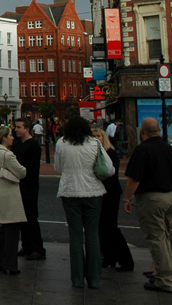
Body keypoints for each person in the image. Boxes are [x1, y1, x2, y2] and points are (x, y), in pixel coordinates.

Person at [123, 117, 172, 293]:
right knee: (164, 237)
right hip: (170, 197)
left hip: (152, 198)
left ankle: (165, 279)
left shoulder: (143, 150)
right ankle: (158, 270)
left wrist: (127, 199)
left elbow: (134, 178)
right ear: (160, 131)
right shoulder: (170, 150)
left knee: (156, 239)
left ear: (142, 132)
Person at [55, 116, 113, 289]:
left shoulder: (61, 144)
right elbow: (108, 168)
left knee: (75, 236)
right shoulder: (95, 144)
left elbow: (58, 168)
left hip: (70, 191)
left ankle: (78, 278)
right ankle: (94, 278)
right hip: (92, 191)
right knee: (92, 235)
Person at [92, 127, 133, 272]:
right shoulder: (95, 153)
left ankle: (125, 260)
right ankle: (109, 257)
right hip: (100, 193)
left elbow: (111, 175)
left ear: (104, 138)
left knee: (110, 226)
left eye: (99, 136)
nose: (97, 138)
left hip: (109, 193)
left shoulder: (110, 153)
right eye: (94, 136)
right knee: (102, 227)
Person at [0, 125, 27, 275]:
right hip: (9, 195)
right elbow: (22, 172)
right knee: (12, 231)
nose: (12, 138)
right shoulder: (7, 155)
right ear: (4, 138)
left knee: (4, 229)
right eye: (10, 136)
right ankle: (10, 264)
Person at [12, 118, 46, 260]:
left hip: (29, 186)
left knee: (31, 217)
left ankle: (38, 248)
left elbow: (32, 169)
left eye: (19, 127)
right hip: (19, 184)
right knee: (22, 218)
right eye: (16, 127)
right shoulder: (18, 144)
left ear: (27, 129)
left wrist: (25, 181)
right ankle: (27, 246)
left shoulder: (33, 146)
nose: (16, 129)